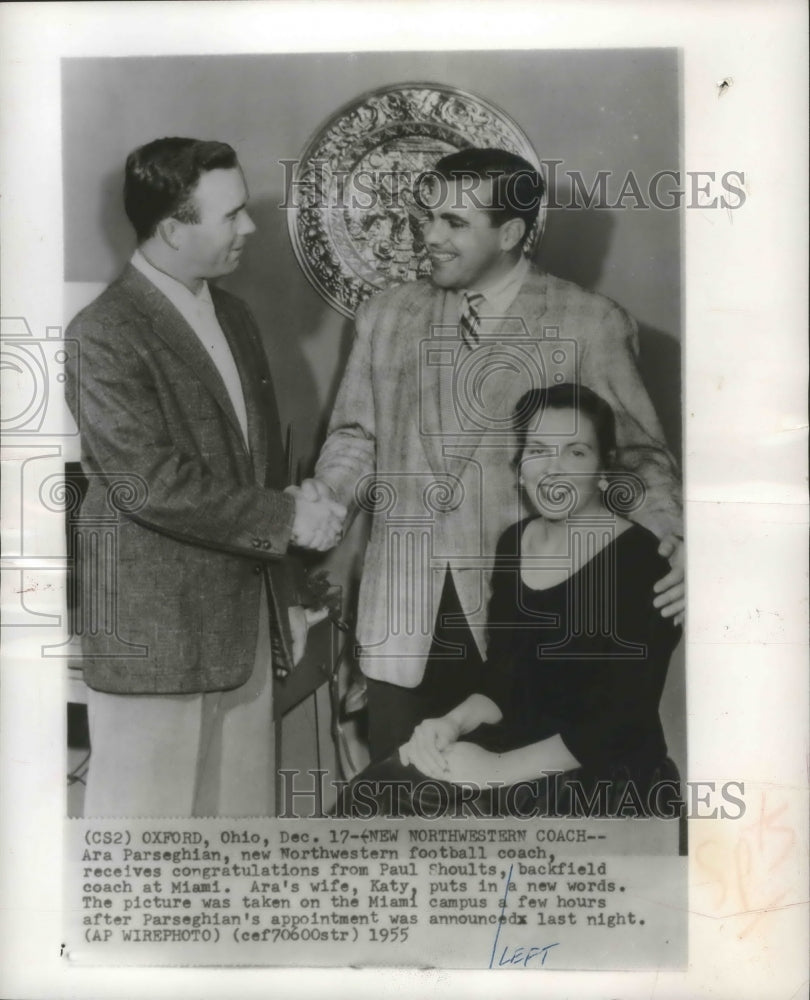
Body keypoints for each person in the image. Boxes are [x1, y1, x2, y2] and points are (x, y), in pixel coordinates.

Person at [303, 147, 685, 762]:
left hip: (524, 630)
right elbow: (355, 437)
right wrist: (324, 498)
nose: (430, 235)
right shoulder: (386, 315)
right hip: (402, 623)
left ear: (509, 233)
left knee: (511, 818)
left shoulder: (591, 323)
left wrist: (671, 543)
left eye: (455, 223)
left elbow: (642, 460)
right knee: (405, 826)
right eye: (429, 217)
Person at [64, 137, 344, 817]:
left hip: (242, 639)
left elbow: (257, 470)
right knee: (143, 865)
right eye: (231, 215)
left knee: (237, 850)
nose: (249, 227)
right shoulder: (101, 332)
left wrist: (284, 604)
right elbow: (149, 483)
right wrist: (289, 518)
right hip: (154, 642)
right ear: (171, 230)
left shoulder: (236, 317)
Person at [340, 384, 682, 818]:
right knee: (375, 792)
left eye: (575, 452)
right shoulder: (514, 543)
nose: (552, 469)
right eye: (538, 449)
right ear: (520, 463)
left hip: (604, 776)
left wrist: (498, 769)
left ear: (604, 467)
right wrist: (449, 725)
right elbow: (502, 683)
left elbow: (620, 718)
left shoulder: (641, 559)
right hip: (518, 752)